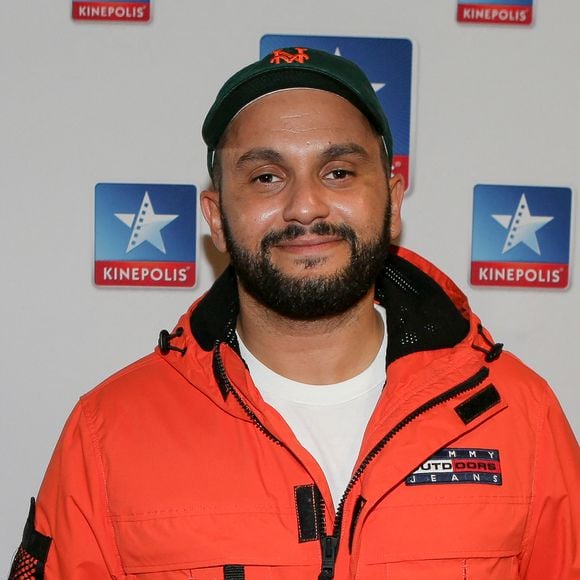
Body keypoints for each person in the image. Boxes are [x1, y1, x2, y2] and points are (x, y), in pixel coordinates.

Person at [10, 47, 579, 580]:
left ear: (393, 197)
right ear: (215, 215)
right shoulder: (107, 435)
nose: (305, 205)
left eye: (338, 172)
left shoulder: (519, 417)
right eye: (266, 177)